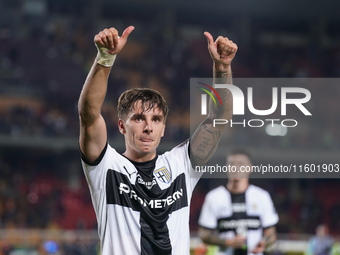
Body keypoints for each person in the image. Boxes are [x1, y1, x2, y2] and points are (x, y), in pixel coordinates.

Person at [78, 25, 237, 255]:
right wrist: (105, 58)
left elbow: (219, 118)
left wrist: (222, 69)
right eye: (139, 118)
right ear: (122, 125)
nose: (148, 127)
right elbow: (89, 114)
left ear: (163, 128)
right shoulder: (107, 168)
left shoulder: (182, 165)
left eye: (156, 120)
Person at [198, 148, 279, 255]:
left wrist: (264, 243)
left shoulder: (262, 196)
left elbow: (271, 234)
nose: (235, 168)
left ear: (250, 168)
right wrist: (227, 242)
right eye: (231, 164)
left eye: (240, 164)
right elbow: (204, 234)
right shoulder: (213, 197)